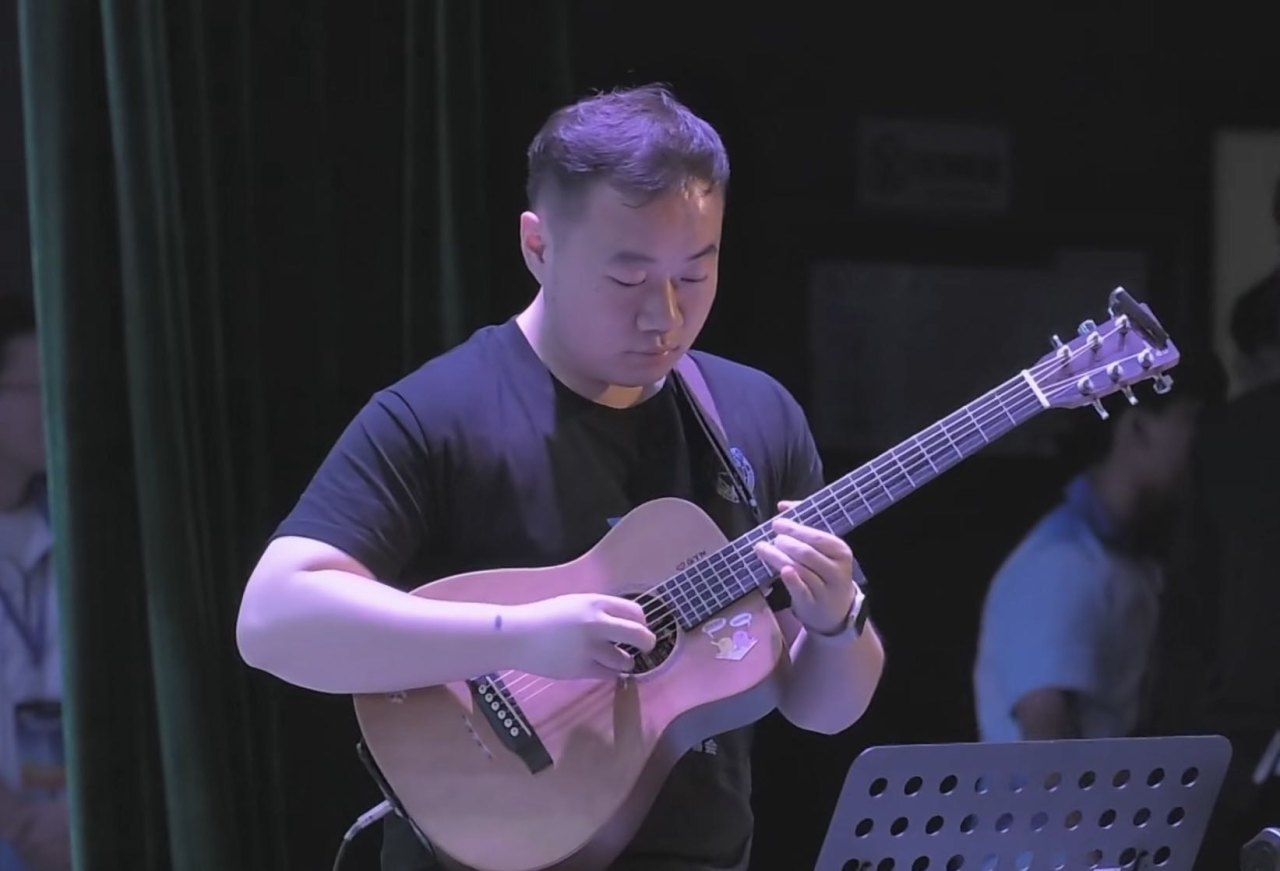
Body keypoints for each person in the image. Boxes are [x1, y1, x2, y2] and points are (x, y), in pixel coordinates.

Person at [235, 84, 885, 871]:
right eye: (628, 279)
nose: (665, 316)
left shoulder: (756, 414)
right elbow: (272, 620)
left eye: (695, 274)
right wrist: (523, 636)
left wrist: (836, 619)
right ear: (538, 246)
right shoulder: (440, 412)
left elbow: (824, 711)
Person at [971, 347, 1226, 743]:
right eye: (1193, 421)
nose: (1207, 440)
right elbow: (1047, 746)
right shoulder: (1060, 562)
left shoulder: (1130, 554)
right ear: (1137, 428)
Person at [0, 294, 69, 871]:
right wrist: (19, 824)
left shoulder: (79, 529)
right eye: (36, 389)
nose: (56, 408)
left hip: (81, 823)